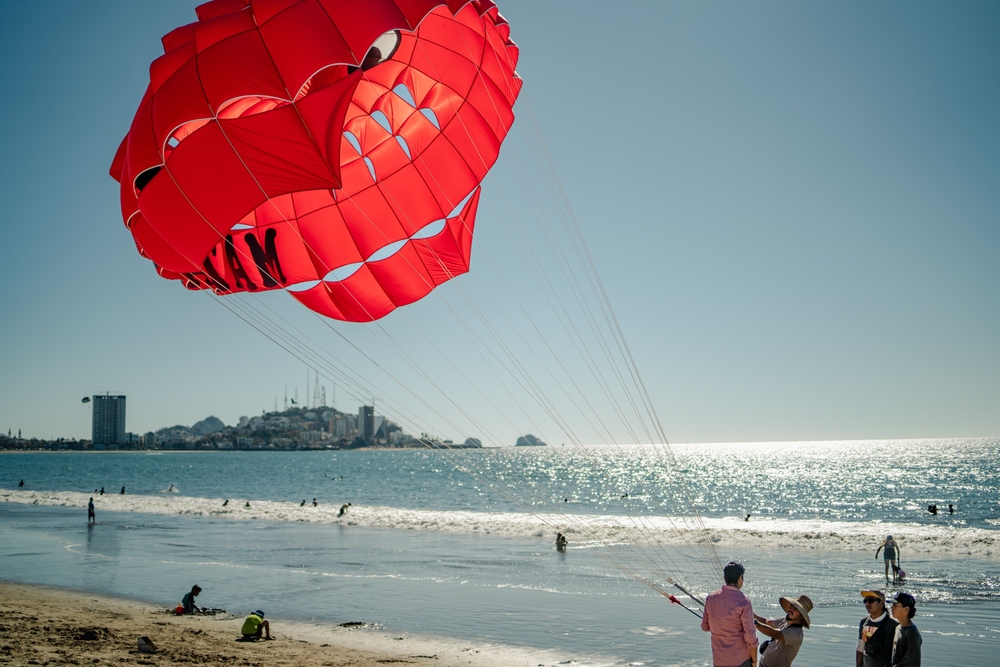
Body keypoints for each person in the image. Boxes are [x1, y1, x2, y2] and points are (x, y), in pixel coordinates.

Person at [702, 562, 758, 667]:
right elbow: (750, 636)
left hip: (719, 660)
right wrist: (754, 661)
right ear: (740, 578)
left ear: (724, 578)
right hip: (740, 660)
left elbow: (705, 627)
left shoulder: (711, 598)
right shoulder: (744, 602)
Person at [753, 595, 811, 667]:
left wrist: (755, 623)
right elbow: (766, 622)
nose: (791, 608)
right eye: (791, 605)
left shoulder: (796, 634)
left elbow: (773, 632)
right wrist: (752, 615)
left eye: (795, 608)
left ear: (801, 616)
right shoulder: (784, 621)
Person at [857, 590, 898, 667]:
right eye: (865, 601)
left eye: (871, 601)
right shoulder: (864, 622)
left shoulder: (893, 625)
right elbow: (860, 648)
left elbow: (898, 654)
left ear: (881, 603)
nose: (867, 604)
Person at [888, 592, 921, 667]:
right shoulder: (898, 628)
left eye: (895, 605)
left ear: (906, 609)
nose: (892, 608)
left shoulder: (912, 633)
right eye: (892, 605)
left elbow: (911, 663)